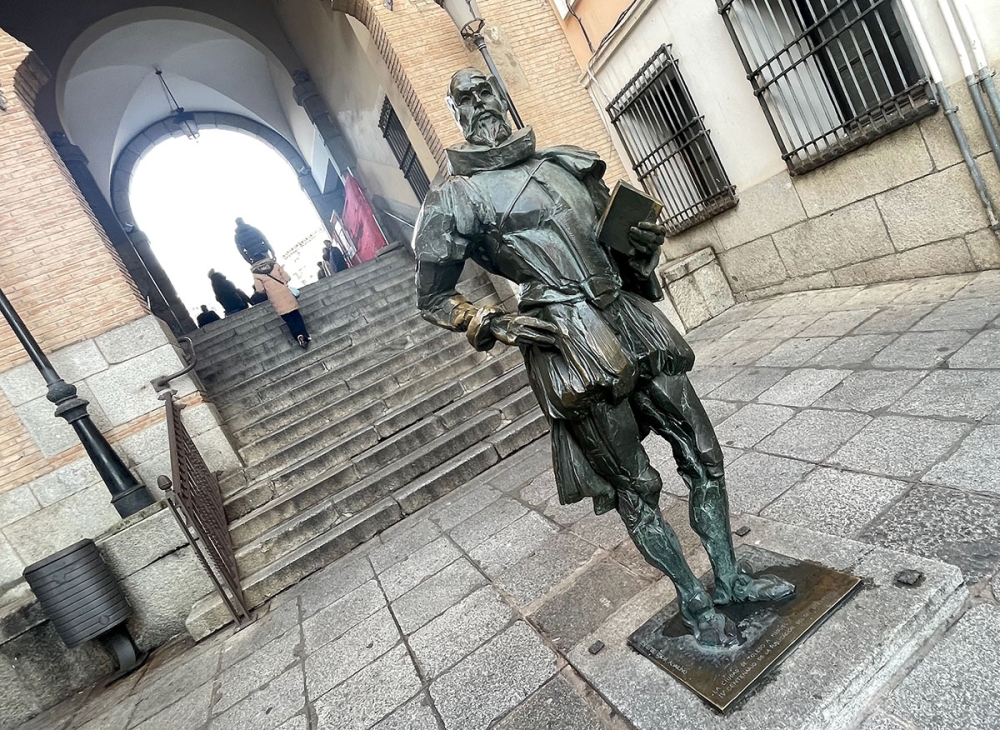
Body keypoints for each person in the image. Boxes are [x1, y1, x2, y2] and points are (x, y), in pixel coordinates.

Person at [412, 68, 793, 647]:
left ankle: (731, 577)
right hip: (567, 339)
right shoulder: (454, 197)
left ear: (504, 97)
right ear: (454, 113)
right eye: (463, 98)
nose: (478, 103)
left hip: (629, 316)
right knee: (636, 485)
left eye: (485, 90)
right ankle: (693, 602)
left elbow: (616, 247)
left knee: (705, 455)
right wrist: (493, 322)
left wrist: (642, 250)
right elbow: (434, 298)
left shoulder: (566, 165)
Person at [251, 258, 310, 348]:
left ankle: (298, 336)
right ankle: (304, 334)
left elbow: (260, 290)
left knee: (289, 320)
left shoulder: (256, 274)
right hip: (286, 294)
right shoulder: (275, 265)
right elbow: (287, 277)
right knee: (296, 316)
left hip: (275, 298)